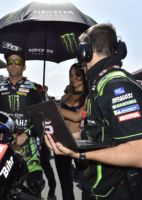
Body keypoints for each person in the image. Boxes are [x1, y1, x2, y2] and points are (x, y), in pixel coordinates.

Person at [45, 23, 142, 200]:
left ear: (85, 51)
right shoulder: (101, 85)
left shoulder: (117, 86)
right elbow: (103, 134)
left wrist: (79, 154)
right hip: (100, 190)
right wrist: (67, 140)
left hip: (118, 193)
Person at [0, 50, 45, 197]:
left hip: (28, 142)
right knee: (0, 185)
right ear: (6, 66)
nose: (13, 65)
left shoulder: (33, 89)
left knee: (36, 183)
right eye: (10, 62)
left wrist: (26, 134)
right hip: (3, 144)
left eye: (17, 62)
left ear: (24, 67)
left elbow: (42, 118)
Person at [54, 63, 87, 200]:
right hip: (62, 142)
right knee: (66, 187)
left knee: (87, 185)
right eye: (71, 75)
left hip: (81, 144)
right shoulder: (64, 97)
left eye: (77, 75)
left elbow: (78, 116)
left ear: (84, 75)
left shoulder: (89, 95)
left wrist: (56, 109)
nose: (73, 78)